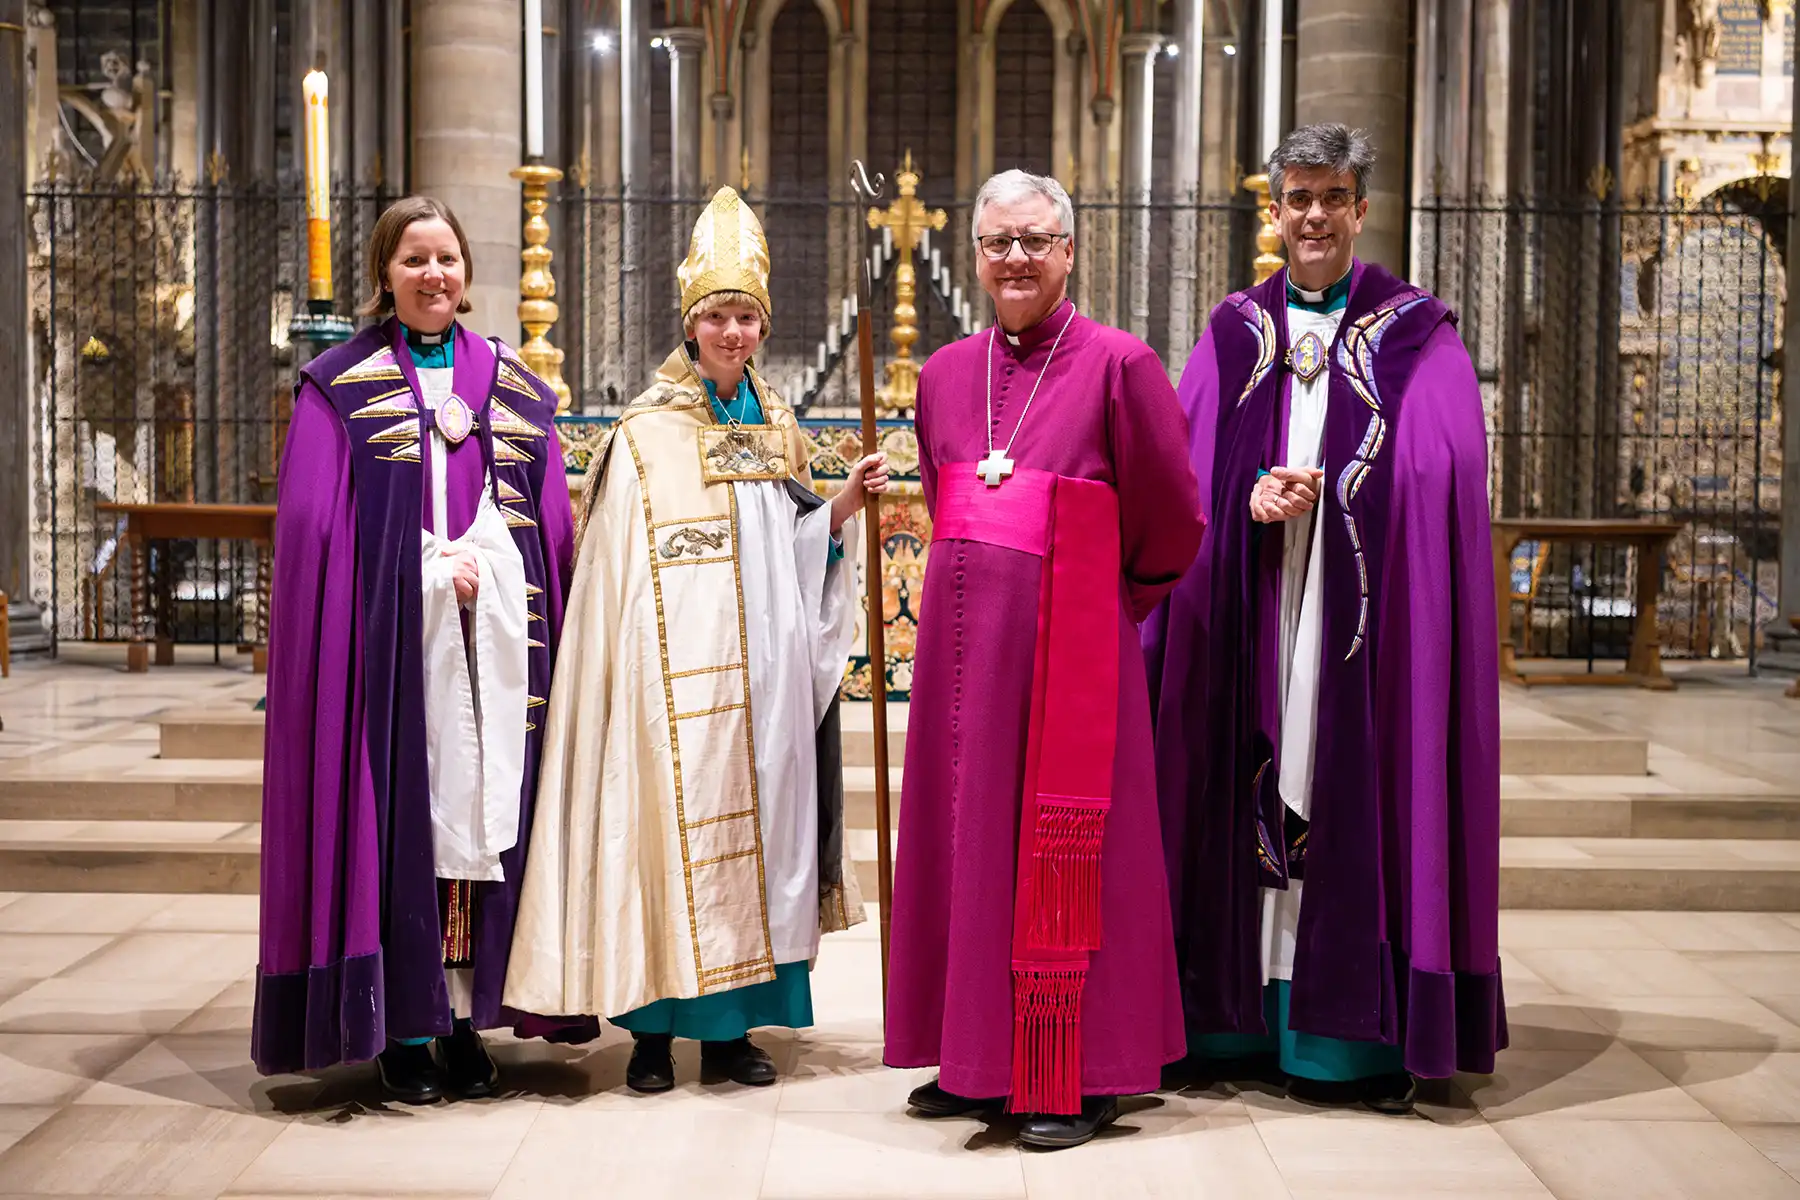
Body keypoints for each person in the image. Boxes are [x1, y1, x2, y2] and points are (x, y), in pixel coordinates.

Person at [1144, 123, 1506, 1114]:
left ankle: (1340, 1042)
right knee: (1242, 790)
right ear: (1273, 210)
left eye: (1331, 196)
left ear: (1358, 207)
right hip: (1256, 609)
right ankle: (1233, 1021)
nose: (1312, 214)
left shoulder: (1418, 336)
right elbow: (1182, 477)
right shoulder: (1231, 333)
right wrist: (1243, 499)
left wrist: (1351, 492)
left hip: (1361, 628)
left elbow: (1445, 473)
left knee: (1342, 794)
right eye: (1295, 197)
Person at [504, 186, 887, 1092]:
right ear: (692, 323)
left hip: (762, 691)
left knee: (766, 842)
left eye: (747, 316)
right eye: (718, 315)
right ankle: (649, 1035)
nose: (734, 332)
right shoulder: (643, 435)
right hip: (663, 690)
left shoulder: (779, 427)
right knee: (657, 838)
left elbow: (799, 544)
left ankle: (732, 1035)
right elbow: (613, 586)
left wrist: (845, 505)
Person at [882, 169, 1205, 1150]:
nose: (1014, 258)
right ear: (975, 255)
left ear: (1069, 250)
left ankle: (1081, 1072)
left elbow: (1171, 523)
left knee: (1069, 864)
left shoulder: (1122, 366)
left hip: (1075, 669)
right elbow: (952, 509)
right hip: (962, 667)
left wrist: (1101, 612)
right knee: (967, 846)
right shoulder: (942, 374)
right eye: (997, 243)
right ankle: (977, 1055)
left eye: (1033, 240)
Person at [254, 196, 577, 1103]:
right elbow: (319, 534)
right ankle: (403, 1027)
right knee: (409, 822)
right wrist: (431, 576)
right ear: (383, 275)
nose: (434, 275)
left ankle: (469, 1023)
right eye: (414, 260)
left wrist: (492, 569)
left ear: (467, 276)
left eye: (447, 259)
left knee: (487, 820)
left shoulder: (512, 385)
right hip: (390, 659)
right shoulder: (337, 387)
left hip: (497, 652)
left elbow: (550, 521)